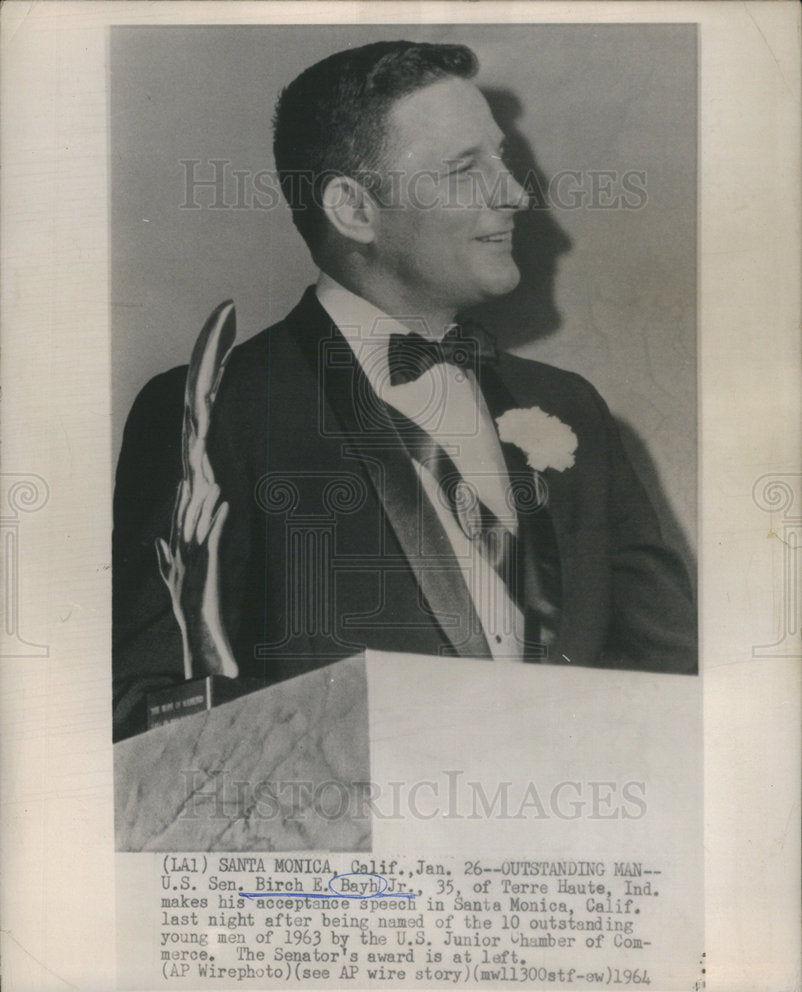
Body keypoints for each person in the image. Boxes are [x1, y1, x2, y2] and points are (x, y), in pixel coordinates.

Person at [112, 40, 696, 741]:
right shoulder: (214, 413)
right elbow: (146, 717)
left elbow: (674, 678)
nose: (513, 191)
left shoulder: (573, 407)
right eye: (463, 168)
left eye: (501, 158)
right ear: (353, 210)